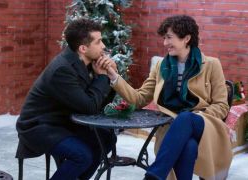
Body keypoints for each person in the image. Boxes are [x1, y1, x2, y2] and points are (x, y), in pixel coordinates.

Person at [103, 15, 233, 180]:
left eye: (169, 37)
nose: (165, 43)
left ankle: (153, 175)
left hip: (204, 124)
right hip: (172, 130)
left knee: (186, 118)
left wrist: (195, 117)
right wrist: (114, 76)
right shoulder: (161, 66)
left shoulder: (212, 65)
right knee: (189, 147)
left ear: (186, 38)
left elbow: (222, 106)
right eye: (164, 38)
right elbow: (139, 98)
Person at [15, 18, 118, 180]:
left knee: (106, 138)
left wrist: (110, 75)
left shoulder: (88, 64)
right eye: (99, 42)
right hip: (39, 126)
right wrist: (102, 77)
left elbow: (97, 105)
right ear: (83, 48)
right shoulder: (62, 70)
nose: (104, 46)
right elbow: (89, 107)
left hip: (64, 122)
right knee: (81, 156)